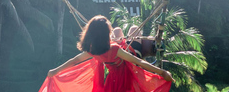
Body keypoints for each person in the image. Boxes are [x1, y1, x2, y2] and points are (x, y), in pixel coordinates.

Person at [39, 15, 173, 92]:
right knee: (134, 30)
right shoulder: (114, 50)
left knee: (118, 31)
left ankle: (122, 37)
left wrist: (55, 71)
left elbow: (74, 60)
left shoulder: (93, 51)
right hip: (127, 66)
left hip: (113, 75)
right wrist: (162, 72)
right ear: (105, 35)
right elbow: (138, 61)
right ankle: (132, 36)